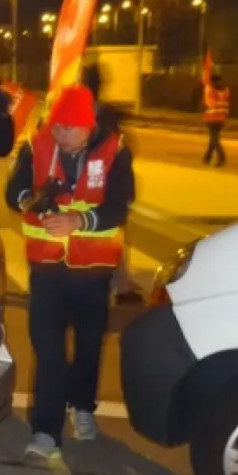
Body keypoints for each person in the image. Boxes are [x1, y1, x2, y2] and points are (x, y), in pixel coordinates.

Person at [5, 84, 136, 462]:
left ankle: (82, 408)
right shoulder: (37, 145)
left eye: (69, 129)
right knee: (48, 350)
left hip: (93, 271)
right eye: (56, 127)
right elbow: (12, 193)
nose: (60, 136)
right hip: (46, 269)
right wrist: (33, 199)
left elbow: (118, 207)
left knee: (89, 345)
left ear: (89, 127)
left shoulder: (116, 150)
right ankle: (46, 431)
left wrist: (79, 219)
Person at [82, 64, 144, 306]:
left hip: (86, 182)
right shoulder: (106, 114)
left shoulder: (77, 109)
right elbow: (121, 149)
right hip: (103, 182)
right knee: (112, 235)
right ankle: (120, 286)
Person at [203, 74, 230, 167]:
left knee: (214, 139)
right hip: (221, 118)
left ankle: (222, 158)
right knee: (213, 138)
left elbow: (208, 102)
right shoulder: (226, 90)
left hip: (212, 117)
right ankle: (207, 157)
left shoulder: (210, 89)